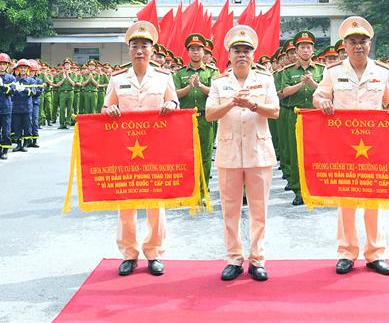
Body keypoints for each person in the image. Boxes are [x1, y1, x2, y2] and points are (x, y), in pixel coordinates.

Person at [313, 16, 389, 277]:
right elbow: (318, 95)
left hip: (373, 145)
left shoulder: (382, 72)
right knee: (347, 201)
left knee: (374, 200)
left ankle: (375, 254)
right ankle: (347, 252)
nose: (358, 46)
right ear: (345, 45)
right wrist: (322, 103)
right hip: (343, 145)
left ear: (370, 44)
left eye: (362, 41)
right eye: (353, 42)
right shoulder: (333, 72)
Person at [101, 20, 179, 277]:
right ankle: (129, 254)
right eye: (134, 46)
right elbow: (105, 108)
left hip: (155, 148)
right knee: (127, 203)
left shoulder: (164, 77)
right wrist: (109, 110)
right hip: (126, 148)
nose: (139, 50)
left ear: (153, 50)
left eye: (144, 46)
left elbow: (174, 103)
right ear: (129, 50)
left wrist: (171, 107)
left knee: (155, 203)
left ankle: (154, 252)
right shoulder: (117, 79)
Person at [205, 25, 280, 282]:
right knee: (230, 209)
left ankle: (257, 259)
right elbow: (209, 114)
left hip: (259, 152)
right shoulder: (218, 82)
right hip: (229, 153)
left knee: (259, 209)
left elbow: (275, 111)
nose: (242, 54)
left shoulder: (265, 80)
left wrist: (253, 104)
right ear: (229, 54)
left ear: (253, 55)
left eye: (246, 50)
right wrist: (232, 102)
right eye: (237, 50)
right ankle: (234, 258)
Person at [275, 30, 325, 205]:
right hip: (293, 114)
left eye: (308, 47)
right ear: (296, 52)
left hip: (315, 115)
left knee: (317, 153)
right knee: (295, 151)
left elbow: (328, 92)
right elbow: (282, 93)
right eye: (302, 47)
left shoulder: (322, 70)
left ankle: (317, 188)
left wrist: (312, 84)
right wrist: (301, 84)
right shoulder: (288, 71)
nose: (305, 50)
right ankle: (298, 190)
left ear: (313, 51)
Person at [173, 33, 218, 187]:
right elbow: (174, 94)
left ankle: (203, 188)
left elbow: (217, 93)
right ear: (188, 52)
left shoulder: (212, 72)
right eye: (192, 49)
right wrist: (189, 87)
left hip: (206, 118)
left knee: (205, 155)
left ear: (204, 52)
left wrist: (200, 86)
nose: (196, 52)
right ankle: (190, 188)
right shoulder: (180, 73)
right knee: (187, 155)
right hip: (186, 119)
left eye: (199, 49)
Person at [0, 53, 16, 160]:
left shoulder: (11, 78)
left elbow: (13, 91)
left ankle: (5, 150)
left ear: (7, 66)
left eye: (4, 64)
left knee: (6, 131)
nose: (1, 66)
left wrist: (5, 88)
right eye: (0, 64)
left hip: (6, 107)